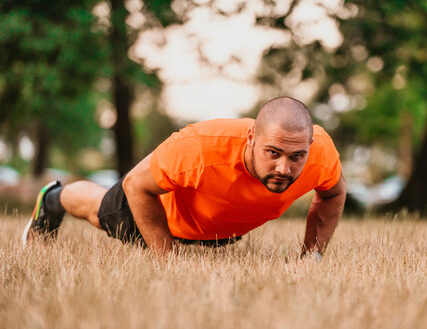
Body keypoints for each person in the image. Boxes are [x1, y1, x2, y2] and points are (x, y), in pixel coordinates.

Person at [21, 97, 346, 257]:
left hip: (215, 227)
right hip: (160, 210)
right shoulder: (199, 148)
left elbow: (333, 194)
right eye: (272, 153)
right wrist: (168, 259)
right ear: (251, 139)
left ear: (310, 146)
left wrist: (312, 257)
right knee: (99, 210)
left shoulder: (321, 154)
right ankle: (53, 198)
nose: (284, 169)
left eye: (296, 156)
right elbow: (136, 184)